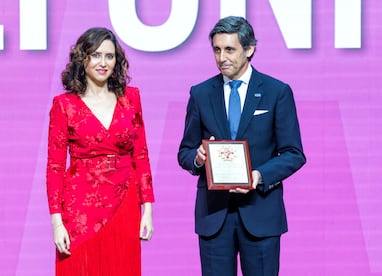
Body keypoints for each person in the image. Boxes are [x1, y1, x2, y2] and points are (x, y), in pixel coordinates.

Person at [178, 16, 306, 276]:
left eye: (229, 49)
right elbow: (185, 151)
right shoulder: (200, 93)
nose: (221, 57)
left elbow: (294, 153)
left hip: (261, 212)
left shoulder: (276, 91)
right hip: (214, 215)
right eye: (216, 49)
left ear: (249, 50)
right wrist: (198, 158)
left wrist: (257, 176)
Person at [46, 27, 155, 276]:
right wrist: (56, 223)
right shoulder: (64, 106)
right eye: (95, 55)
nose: (103, 63)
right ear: (82, 59)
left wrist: (147, 209)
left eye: (109, 56)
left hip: (124, 204)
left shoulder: (131, 98)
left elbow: (141, 155)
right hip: (79, 210)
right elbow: (54, 167)